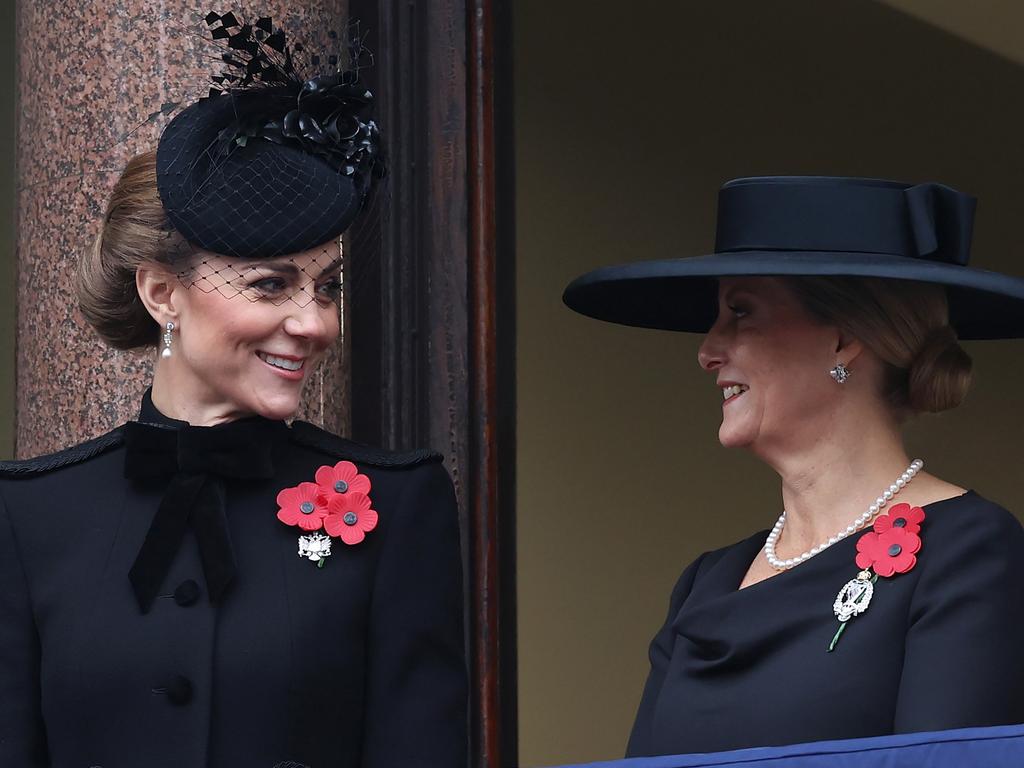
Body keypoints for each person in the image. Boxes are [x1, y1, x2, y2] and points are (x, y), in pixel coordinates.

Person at [0, 16, 465, 768]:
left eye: (328, 287)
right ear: (161, 293)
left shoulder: (398, 508)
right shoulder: (28, 518)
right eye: (271, 284)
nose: (314, 323)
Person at [563, 176, 1024, 756]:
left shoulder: (967, 551)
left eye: (741, 313)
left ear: (843, 337)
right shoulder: (706, 582)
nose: (707, 352)